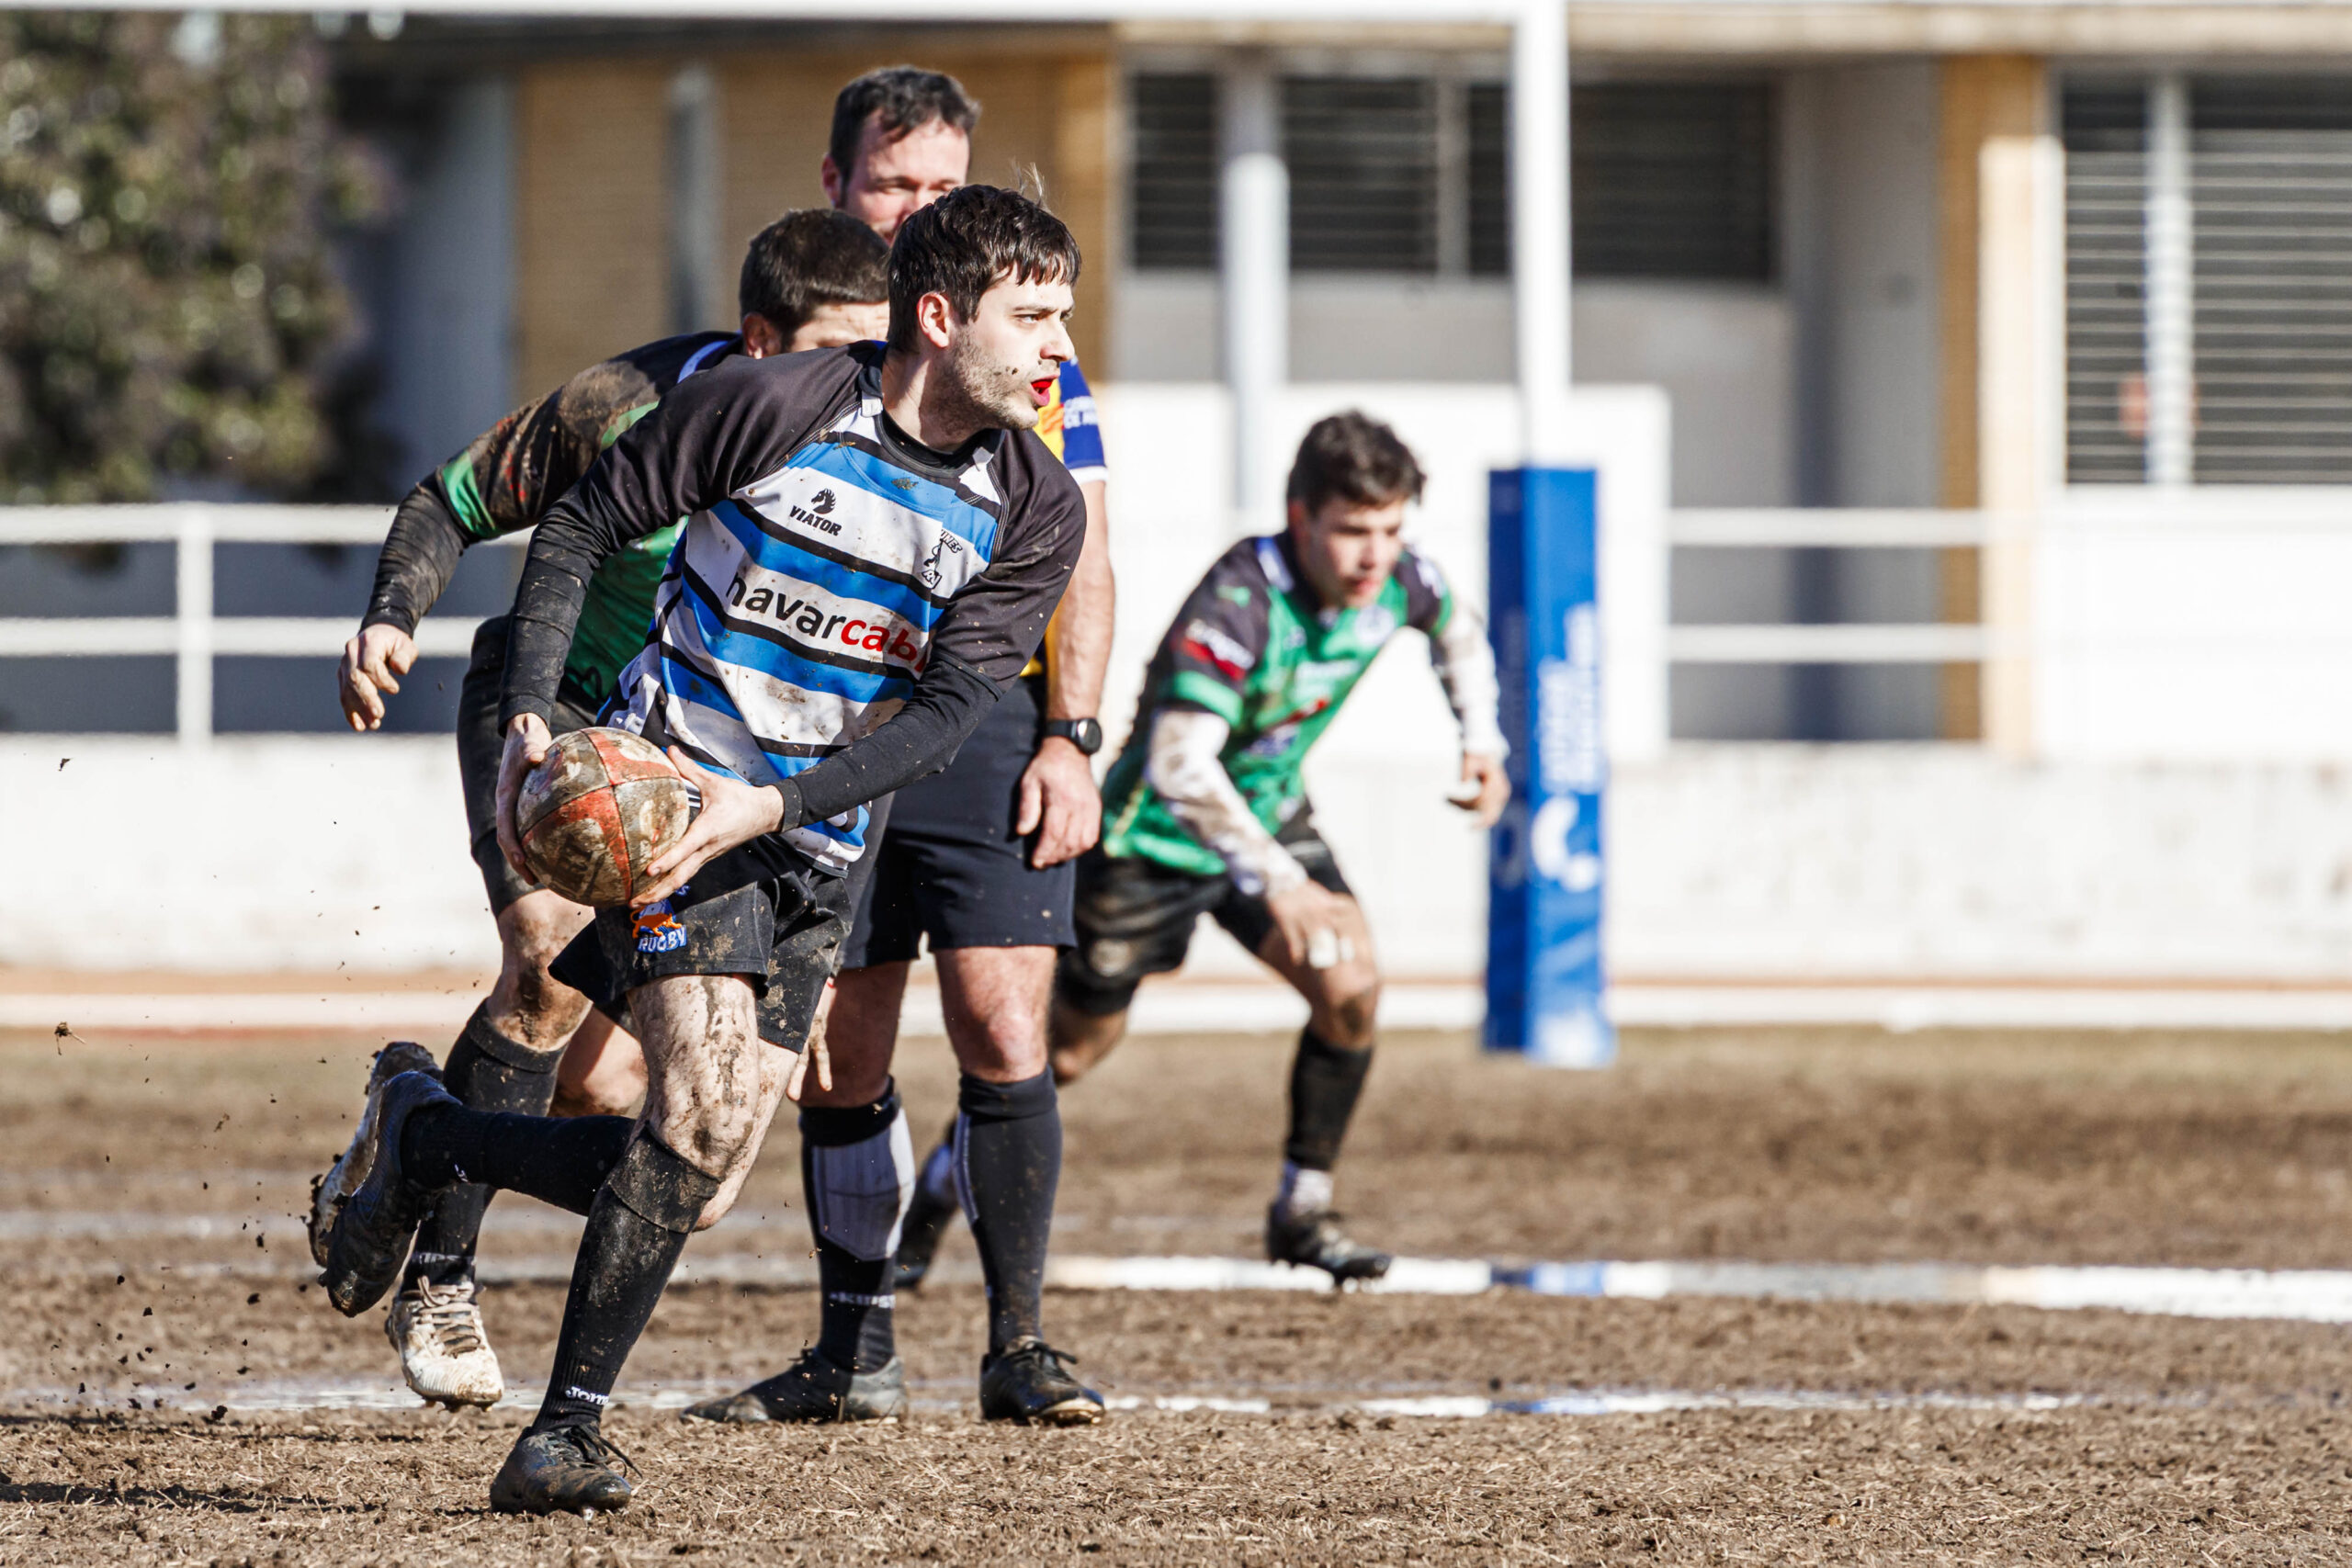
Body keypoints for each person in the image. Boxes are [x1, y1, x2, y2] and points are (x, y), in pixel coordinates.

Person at [321, 185, 1089, 1517]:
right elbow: (577, 525)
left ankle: (430, 1130)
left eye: (1063, 318)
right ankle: (564, 1430)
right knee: (695, 1104)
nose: (1057, 350)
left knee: (709, 1173)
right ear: (939, 315)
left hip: (812, 839)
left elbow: (949, 709)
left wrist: (785, 811)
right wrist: (526, 728)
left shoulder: (1035, 507)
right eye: (1033, 317)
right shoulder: (773, 404)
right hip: (671, 798)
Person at [309, 209, 892, 1411]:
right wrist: (388, 618)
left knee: (639, 1114)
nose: (862, 384)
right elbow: (448, 500)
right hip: (558, 708)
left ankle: (413, 1122)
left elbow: (864, 713)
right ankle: (446, 1276)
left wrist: (825, 941)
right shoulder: (630, 402)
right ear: (760, 338)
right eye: (838, 353)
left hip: (702, 769)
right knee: (542, 963)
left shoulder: (885, 470)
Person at [671, 66, 1114, 1432]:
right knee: (842, 1051)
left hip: (984, 726)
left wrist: (1075, 734)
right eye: (894, 182)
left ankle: (1020, 1342)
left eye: (941, 183)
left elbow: (1088, 553)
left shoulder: (1035, 358)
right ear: (836, 186)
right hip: (817, 727)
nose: (918, 204)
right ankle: (851, 1348)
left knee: (1001, 1015)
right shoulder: (807, 354)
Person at [900, 412, 1508, 1287]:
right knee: (1064, 1053)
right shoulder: (1238, 604)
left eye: (1390, 530)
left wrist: (1482, 742)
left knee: (1350, 989)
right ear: (1301, 519)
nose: (1375, 556)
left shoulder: (1397, 580)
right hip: (1153, 841)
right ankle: (933, 1193)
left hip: (1271, 823)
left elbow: (1458, 628)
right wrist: (1283, 882)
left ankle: (1303, 1209)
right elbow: (1184, 767)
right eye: (1352, 532)